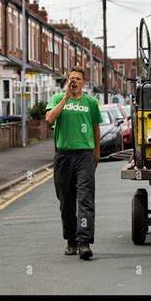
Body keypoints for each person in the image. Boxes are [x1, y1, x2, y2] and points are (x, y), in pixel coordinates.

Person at [45, 67, 103, 260]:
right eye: (71, 78)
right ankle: (71, 240)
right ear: (67, 81)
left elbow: (96, 130)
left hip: (84, 156)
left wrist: (96, 154)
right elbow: (49, 119)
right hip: (63, 156)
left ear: (83, 82)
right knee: (66, 201)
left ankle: (84, 242)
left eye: (78, 78)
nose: (74, 81)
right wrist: (65, 98)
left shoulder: (91, 103)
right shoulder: (57, 99)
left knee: (85, 199)